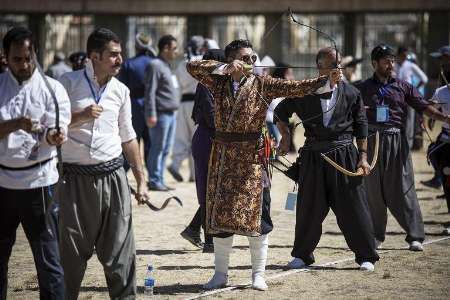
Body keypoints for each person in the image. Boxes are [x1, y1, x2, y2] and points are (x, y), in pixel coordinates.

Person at [187, 39, 335, 291]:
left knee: (258, 218)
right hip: (223, 157)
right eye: (245, 59)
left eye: (253, 59)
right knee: (221, 217)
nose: (251, 63)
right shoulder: (218, 81)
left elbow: (297, 87)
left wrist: (326, 79)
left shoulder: (263, 83)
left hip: (252, 160)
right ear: (231, 60)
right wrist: (224, 68)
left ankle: (258, 274)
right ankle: (220, 274)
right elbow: (192, 66)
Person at [57, 28, 149, 299]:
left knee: (121, 252)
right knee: (70, 255)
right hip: (73, 180)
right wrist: (79, 116)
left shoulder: (121, 90)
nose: (120, 60)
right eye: (113, 55)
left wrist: (141, 179)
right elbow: (49, 125)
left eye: (121, 54)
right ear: (94, 56)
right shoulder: (67, 83)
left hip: (113, 177)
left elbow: (128, 137)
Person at [275, 47, 379, 272]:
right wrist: (285, 137)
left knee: (354, 207)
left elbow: (362, 125)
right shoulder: (304, 91)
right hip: (313, 157)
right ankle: (302, 255)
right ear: (319, 68)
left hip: (344, 156)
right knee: (308, 208)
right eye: (333, 66)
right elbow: (279, 112)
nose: (338, 70)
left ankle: (365, 255)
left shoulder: (351, 93)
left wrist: (363, 157)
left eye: (340, 65)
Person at [0, 27, 70, 299]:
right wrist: (17, 124)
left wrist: (55, 136)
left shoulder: (52, 88)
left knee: (48, 261)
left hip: (40, 183)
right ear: (6, 57)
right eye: (17, 59)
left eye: (29, 58)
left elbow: (57, 130)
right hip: (3, 183)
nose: (24, 65)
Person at [358, 44, 450, 251]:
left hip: (396, 142)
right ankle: (376, 236)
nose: (391, 64)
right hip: (371, 141)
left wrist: (443, 117)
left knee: (404, 188)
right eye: (386, 61)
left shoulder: (403, 86)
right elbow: (349, 108)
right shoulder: (362, 88)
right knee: (373, 191)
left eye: (392, 61)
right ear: (375, 64)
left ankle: (415, 236)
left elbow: (423, 106)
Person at [180, 49, 226, 253]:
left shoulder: (219, 84)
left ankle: (194, 229)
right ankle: (209, 240)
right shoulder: (207, 83)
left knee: (215, 190)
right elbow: (211, 115)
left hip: (215, 139)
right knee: (209, 191)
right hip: (208, 140)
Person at [168, 35, 206, 182]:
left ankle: (176, 164)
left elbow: (176, 83)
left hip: (183, 103)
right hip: (197, 103)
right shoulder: (202, 61)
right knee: (195, 139)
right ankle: (194, 174)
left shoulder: (182, 63)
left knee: (182, 138)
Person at [145, 34, 180, 191]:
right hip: (160, 114)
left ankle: (159, 179)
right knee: (157, 148)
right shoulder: (155, 65)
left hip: (171, 114)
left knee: (166, 148)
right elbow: (150, 91)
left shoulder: (167, 65)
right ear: (165, 48)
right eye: (174, 48)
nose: (176, 52)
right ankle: (153, 180)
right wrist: (151, 113)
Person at [118, 33, 156, 176]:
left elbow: (122, 87)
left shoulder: (128, 63)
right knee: (151, 142)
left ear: (136, 45)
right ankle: (153, 175)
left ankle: (125, 172)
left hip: (133, 105)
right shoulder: (154, 62)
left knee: (131, 139)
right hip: (152, 106)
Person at [426, 46, 450, 223]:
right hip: (446, 141)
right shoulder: (442, 91)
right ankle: (439, 177)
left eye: (443, 60)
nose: (441, 65)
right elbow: (431, 106)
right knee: (433, 151)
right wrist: (431, 114)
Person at [396, 46, 429, 150]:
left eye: (406, 56)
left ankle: (408, 145)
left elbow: (424, 79)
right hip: (395, 98)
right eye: (403, 55)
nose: (405, 57)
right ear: (399, 55)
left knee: (410, 121)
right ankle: (397, 143)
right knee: (396, 119)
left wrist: (414, 90)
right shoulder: (393, 65)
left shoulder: (410, 66)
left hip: (408, 98)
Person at [266, 63, 294, 147]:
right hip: (270, 124)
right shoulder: (274, 90)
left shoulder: (286, 93)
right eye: (289, 74)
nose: (292, 77)